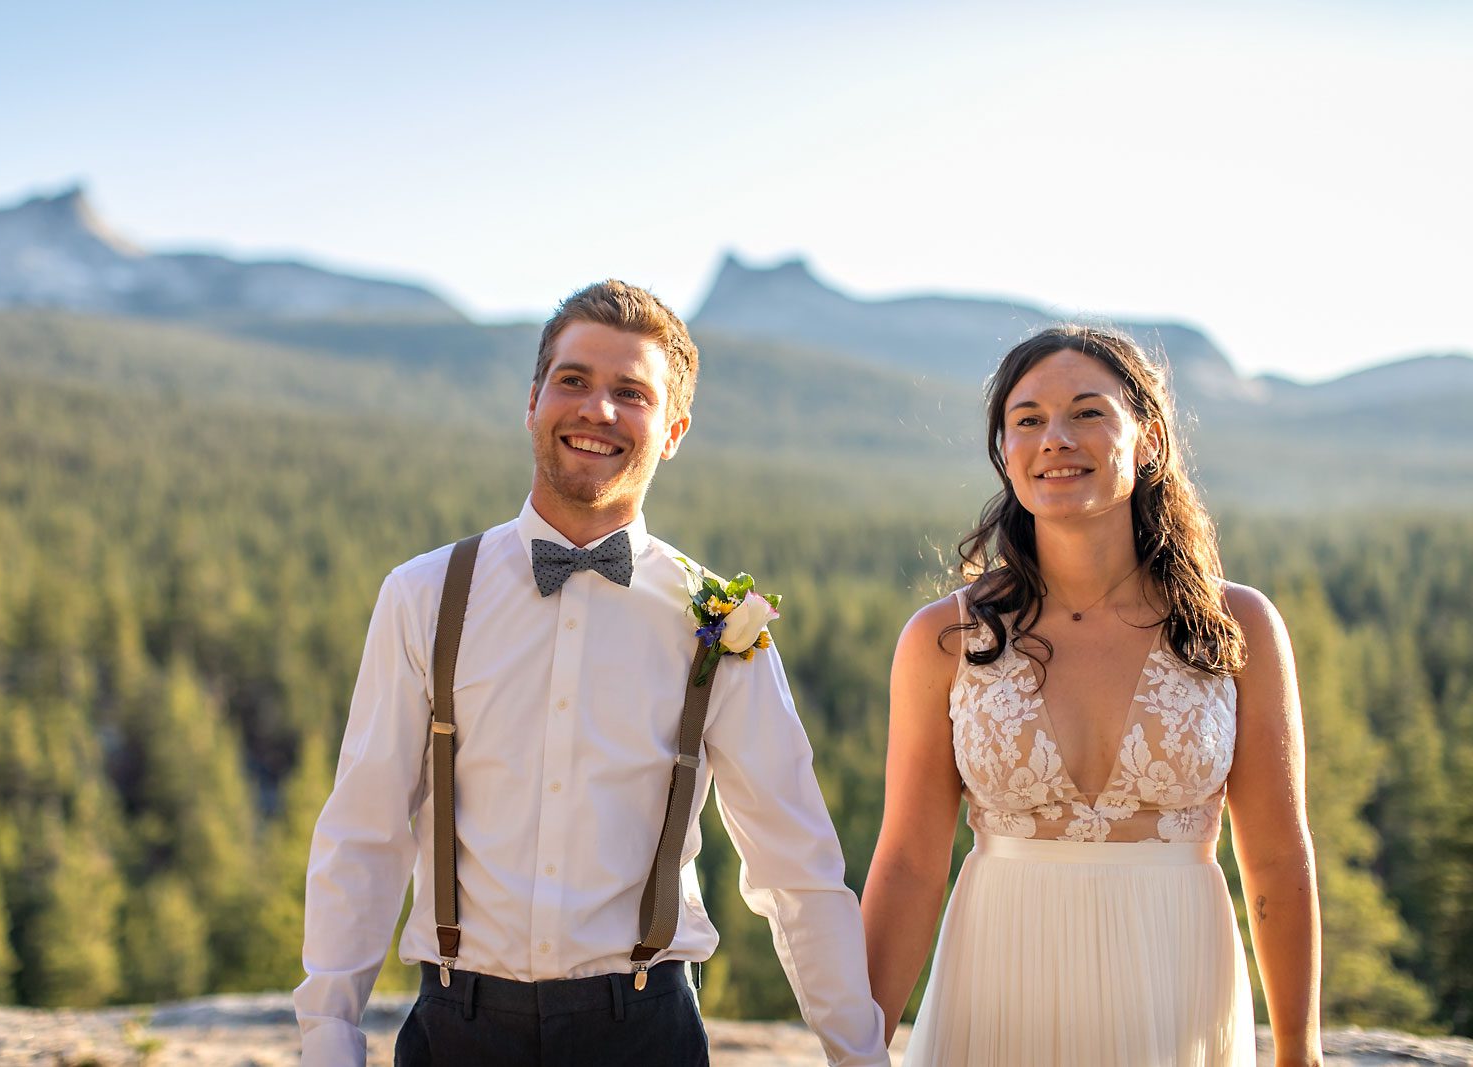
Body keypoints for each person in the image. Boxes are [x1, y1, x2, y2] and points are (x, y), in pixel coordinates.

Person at [295, 280, 889, 1066]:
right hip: (456, 1028)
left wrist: (859, 1055)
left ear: (672, 429)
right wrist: (330, 1038)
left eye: (631, 393)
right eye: (573, 380)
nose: (597, 410)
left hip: (645, 1033)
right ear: (533, 399)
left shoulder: (719, 618)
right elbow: (364, 833)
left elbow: (796, 868)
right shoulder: (424, 593)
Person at [862, 325, 1323, 1066]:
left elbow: (1274, 856)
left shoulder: (1237, 628)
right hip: (998, 988)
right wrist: (859, 1047)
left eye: (1087, 412)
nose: (1055, 438)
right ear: (1004, 451)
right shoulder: (943, 639)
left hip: (1174, 989)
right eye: (1028, 419)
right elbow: (911, 863)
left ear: (1148, 441)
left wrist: (1300, 1051)